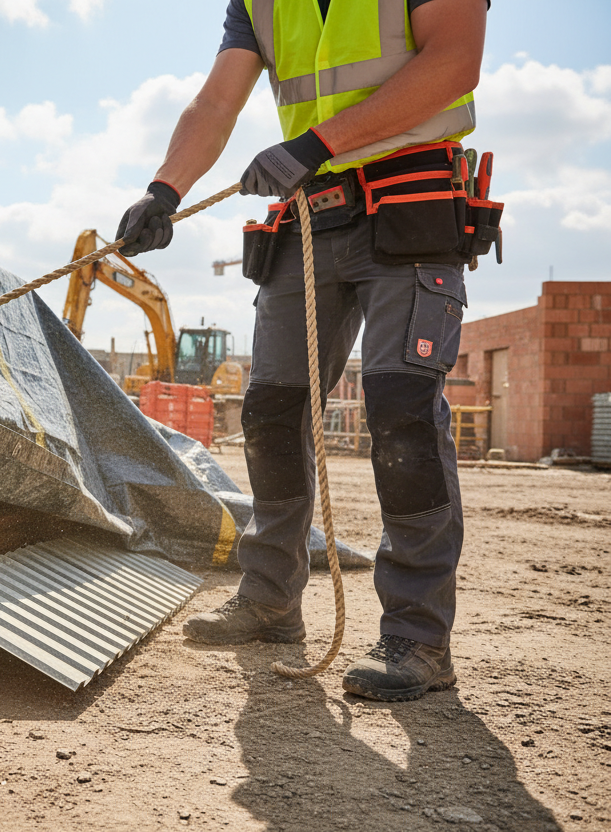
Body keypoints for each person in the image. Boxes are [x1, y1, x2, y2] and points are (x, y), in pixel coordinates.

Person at [117, 0, 490, 702]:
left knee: (401, 415)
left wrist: (315, 143)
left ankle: (417, 638)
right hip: (311, 215)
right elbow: (218, 99)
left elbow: (452, 62)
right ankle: (269, 603)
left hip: (409, 206)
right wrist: (164, 190)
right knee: (271, 411)